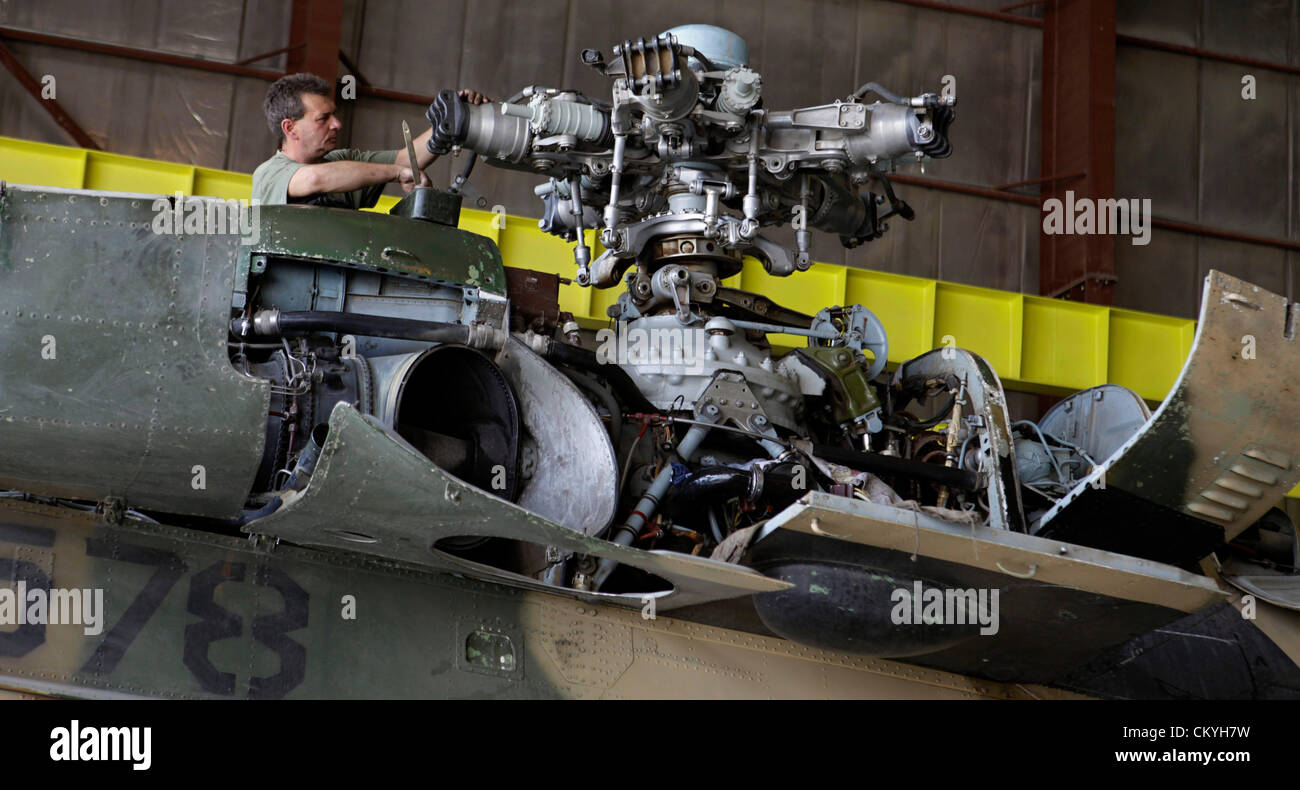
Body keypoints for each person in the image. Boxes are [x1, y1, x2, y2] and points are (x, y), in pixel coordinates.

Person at [252, 73, 489, 208]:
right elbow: (314, 179)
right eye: (323, 118)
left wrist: (451, 124)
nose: (336, 124)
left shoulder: (343, 160)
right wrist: (397, 173)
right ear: (290, 128)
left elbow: (407, 159)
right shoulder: (269, 174)